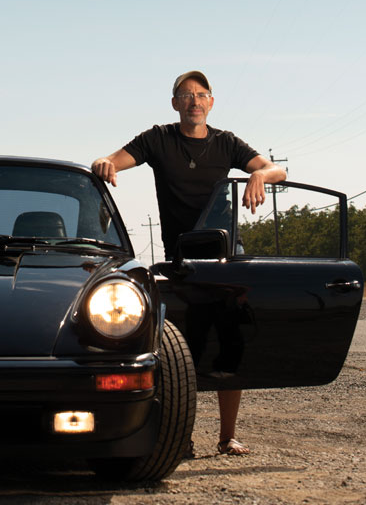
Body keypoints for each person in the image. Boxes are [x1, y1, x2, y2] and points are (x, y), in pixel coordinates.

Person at [91, 70, 286, 456]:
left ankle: (228, 436)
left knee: (232, 343)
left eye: (201, 94)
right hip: (182, 257)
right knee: (183, 349)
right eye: (186, 95)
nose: (194, 101)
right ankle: (182, 437)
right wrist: (103, 162)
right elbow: (112, 160)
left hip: (227, 255)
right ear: (175, 103)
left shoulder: (227, 142)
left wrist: (260, 175)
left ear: (211, 102)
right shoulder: (158, 139)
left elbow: (279, 170)